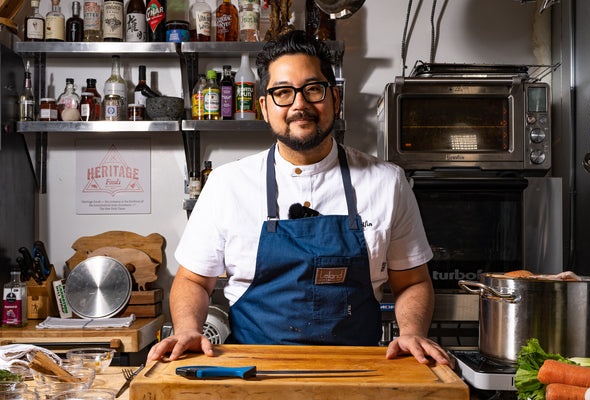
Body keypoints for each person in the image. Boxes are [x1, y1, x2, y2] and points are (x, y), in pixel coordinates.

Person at [147, 30, 451, 366]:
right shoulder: (226, 185)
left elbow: (413, 282)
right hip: (254, 372)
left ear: (335, 98)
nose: (299, 104)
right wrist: (188, 327)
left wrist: (411, 331)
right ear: (264, 107)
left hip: (359, 373)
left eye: (313, 89)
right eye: (282, 92)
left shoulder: (387, 182)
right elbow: (192, 279)